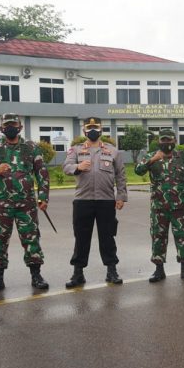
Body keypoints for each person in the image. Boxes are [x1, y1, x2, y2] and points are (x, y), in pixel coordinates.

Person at [0, 113, 50, 294]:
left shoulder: (31, 147)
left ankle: (36, 275)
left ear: (20, 127)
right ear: (1, 127)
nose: (10, 127)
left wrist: (43, 197)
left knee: (31, 239)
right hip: (2, 204)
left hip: (27, 204)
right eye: (6, 124)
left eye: (13, 124)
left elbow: (42, 173)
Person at [63, 117, 128, 287]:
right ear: (84, 131)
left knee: (107, 237)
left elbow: (121, 175)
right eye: (89, 127)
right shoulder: (75, 150)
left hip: (106, 201)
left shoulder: (113, 151)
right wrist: (78, 167)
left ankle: (111, 270)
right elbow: (66, 167)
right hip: (82, 200)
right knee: (81, 237)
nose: (92, 130)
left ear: (101, 130)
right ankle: (78, 273)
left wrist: (121, 196)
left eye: (95, 127)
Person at [135, 129, 184, 283]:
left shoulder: (183, 157)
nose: (166, 143)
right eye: (163, 140)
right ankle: (159, 270)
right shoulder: (150, 156)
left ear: (175, 141)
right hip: (159, 206)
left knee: (183, 237)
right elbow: (138, 171)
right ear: (159, 141)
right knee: (158, 237)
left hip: (180, 206)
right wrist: (152, 159)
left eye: (169, 140)